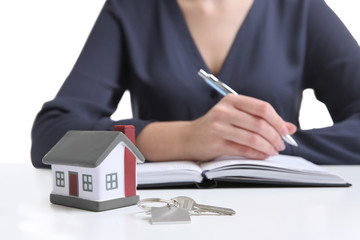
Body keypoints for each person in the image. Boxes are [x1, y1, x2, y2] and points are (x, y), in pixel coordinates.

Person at [31, 0, 360, 168]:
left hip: (282, 218)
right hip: (161, 221)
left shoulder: (300, 9)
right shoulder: (132, 9)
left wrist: (269, 146)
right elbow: (52, 135)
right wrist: (180, 139)